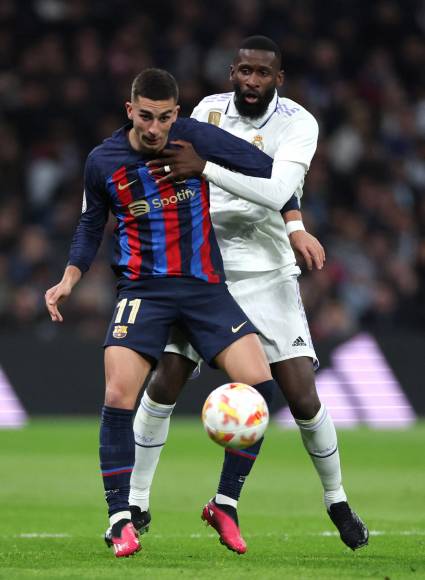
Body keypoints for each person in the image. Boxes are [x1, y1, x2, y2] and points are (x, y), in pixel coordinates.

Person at [44, 67, 303, 558]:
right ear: (130, 111)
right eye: (146, 117)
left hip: (205, 288)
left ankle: (225, 503)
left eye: (165, 118)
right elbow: (89, 225)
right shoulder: (103, 161)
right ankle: (120, 516)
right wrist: (69, 279)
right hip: (143, 290)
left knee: (262, 389)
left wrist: (293, 222)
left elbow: (270, 171)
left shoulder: (194, 139)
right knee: (119, 394)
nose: (156, 128)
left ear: (176, 114)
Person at [127, 36, 369, 554]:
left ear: (278, 79)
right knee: (167, 377)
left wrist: (293, 221)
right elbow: (178, 174)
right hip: (206, 269)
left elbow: (280, 189)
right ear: (232, 72)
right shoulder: (207, 111)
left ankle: (337, 499)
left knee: (300, 395)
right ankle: (137, 499)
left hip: (268, 268)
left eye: (263, 74)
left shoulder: (298, 124)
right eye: (244, 72)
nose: (252, 82)